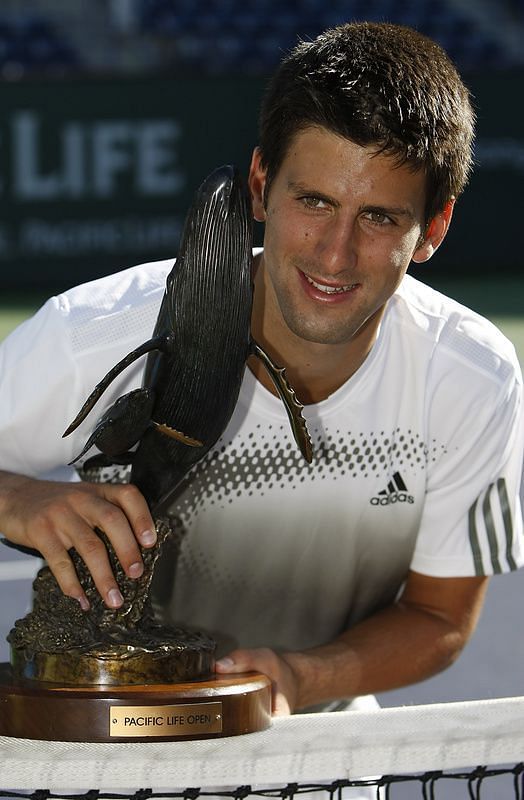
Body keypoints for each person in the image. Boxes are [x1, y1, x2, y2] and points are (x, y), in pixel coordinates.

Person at [0, 21, 522, 722]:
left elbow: (439, 616)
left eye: (378, 218)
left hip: (315, 765)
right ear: (259, 185)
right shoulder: (98, 333)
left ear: (432, 229)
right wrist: (17, 500)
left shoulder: (469, 376)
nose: (335, 255)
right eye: (314, 202)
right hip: (110, 765)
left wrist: (300, 677)